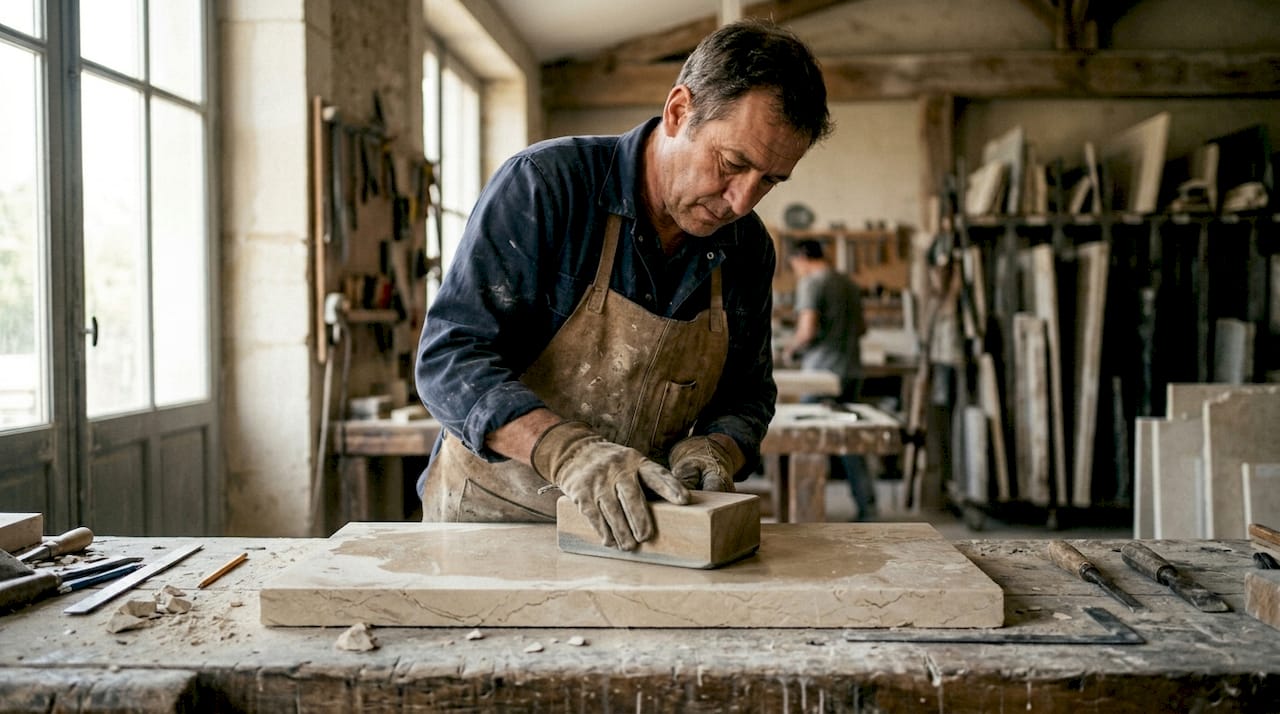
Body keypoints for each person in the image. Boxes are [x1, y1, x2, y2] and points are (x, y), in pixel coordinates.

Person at [414, 19, 833, 551]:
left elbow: (747, 396)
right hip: (494, 522)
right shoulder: (547, 186)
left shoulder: (746, 248)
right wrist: (565, 450)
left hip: (638, 533)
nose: (742, 201)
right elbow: (450, 357)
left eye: (770, 180)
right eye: (733, 163)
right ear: (679, 111)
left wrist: (717, 449)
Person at [783, 239, 875, 521]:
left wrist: (790, 348)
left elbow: (807, 330)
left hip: (821, 375)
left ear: (801, 258)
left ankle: (806, 513)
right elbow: (861, 328)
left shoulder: (812, 283)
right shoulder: (848, 283)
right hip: (850, 368)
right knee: (851, 441)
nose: (795, 270)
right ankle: (866, 507)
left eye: (794, 265)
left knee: (806, 441)